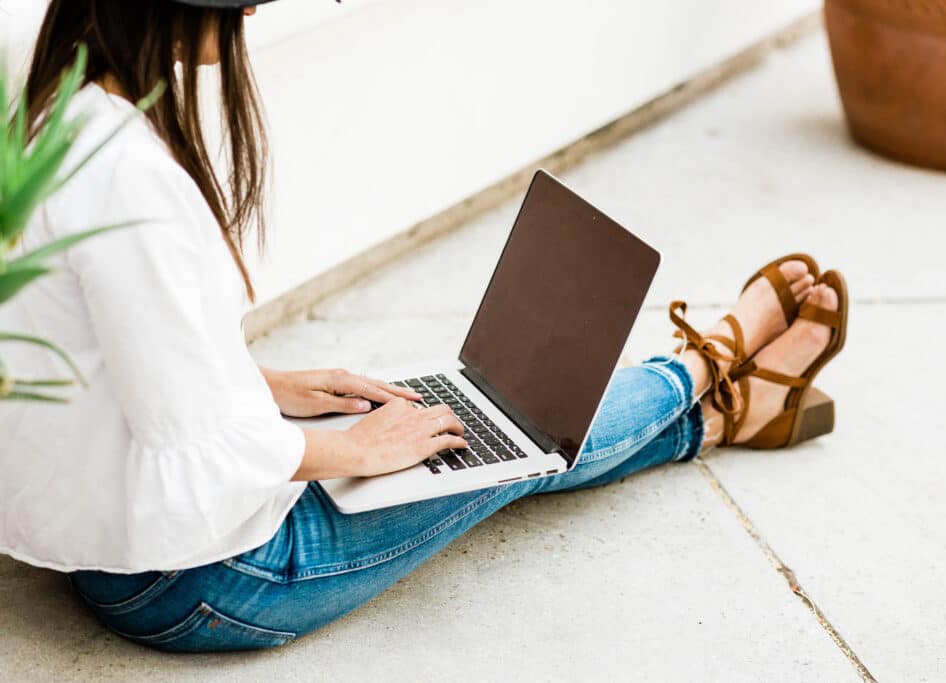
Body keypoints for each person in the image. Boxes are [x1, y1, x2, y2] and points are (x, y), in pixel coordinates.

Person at [0, 0, 848, 653]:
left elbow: (114, 358)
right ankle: (712, 364)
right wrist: (351, 449)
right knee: (514, 443)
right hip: (206, 578)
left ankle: (722, 418)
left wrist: (268, 385)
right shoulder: (128, 182)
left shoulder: (55, 120)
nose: (253, 13)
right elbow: (193, 449)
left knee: (475, 424)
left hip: (121, 540)